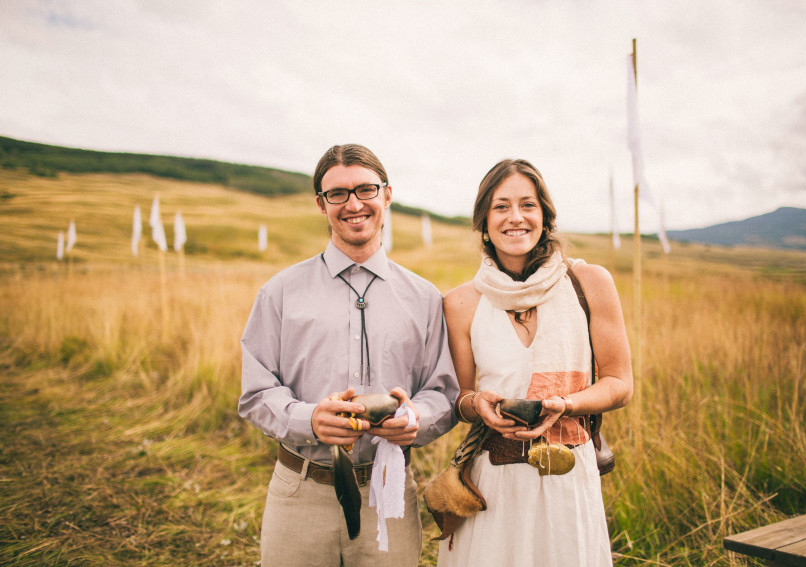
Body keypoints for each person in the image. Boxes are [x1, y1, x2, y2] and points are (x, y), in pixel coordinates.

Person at [239, 143, 459, 567]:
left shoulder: (425, 298)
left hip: (388, 490)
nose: (353, 204)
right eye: (337, 194)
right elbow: (255, 391)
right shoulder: (280, 292)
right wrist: (307, 419)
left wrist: (417, 419)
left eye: (365, 189)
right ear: (321, 205)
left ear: (387, 195)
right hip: (300, 491)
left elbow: (443, 391)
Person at [437, 159, 633, 566]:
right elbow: (460, 397)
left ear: (544, 216)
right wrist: (479, 406)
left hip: (568, 475)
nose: (515, 217)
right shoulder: (460, 303)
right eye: (501, 206)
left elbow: (619, 383)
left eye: (527, 205)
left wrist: (567, 404)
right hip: (493, 480)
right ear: (484, 221)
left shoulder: (588, 283)